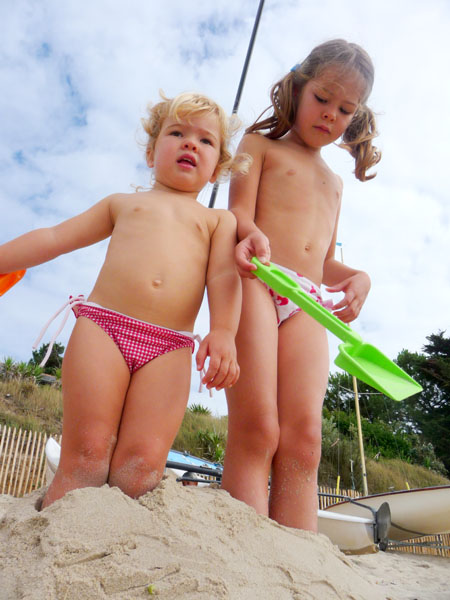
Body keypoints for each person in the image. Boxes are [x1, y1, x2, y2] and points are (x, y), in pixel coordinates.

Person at [0, 92, 248, 508]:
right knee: (86, 457)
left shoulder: (218, 221)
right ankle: (58, 534)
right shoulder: (123, 204)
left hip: (170, 346)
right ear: (151, 152)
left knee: (141, 468)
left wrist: (224, 331)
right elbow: (56, 237)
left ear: (218, 169)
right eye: (177, 133)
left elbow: (224, 277)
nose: (191, 143)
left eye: (206, 140)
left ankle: (115, 542)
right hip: (103, 328)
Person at [221, 39, 381, 532]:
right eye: (323, 98)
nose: (331, 114)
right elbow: (237, 215)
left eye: (345, 109)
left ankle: (295, 553)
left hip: (307, 301)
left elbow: (324, 261)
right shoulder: (259, 145)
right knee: (258, 426)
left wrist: (358, 278)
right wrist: (250, 233)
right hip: (256, 278)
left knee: (305, 438)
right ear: (297, 87)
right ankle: (243, 544)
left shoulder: (336, 183)